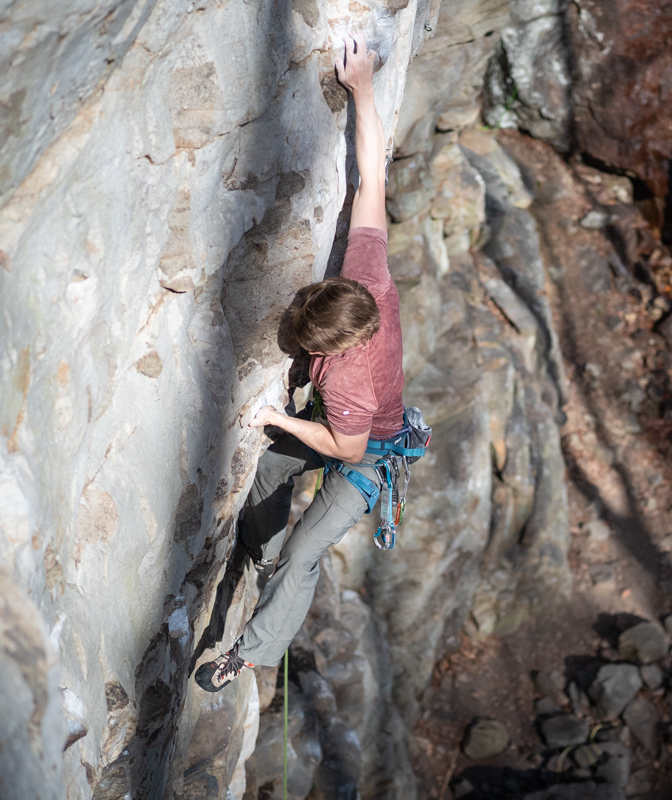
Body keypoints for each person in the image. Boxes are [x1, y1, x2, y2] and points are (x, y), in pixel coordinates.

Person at [194, 31, 400, 692]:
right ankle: (264, 556)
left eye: (309, 347)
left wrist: (272, 417)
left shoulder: (351, 381)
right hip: (338, 425)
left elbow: (347, 443)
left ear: (333, 350)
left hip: (365, 452)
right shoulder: (366, 278)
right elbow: (373, 177)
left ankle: (249, 653)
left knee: (305, 553)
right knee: (265, 483)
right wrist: (362, 90)